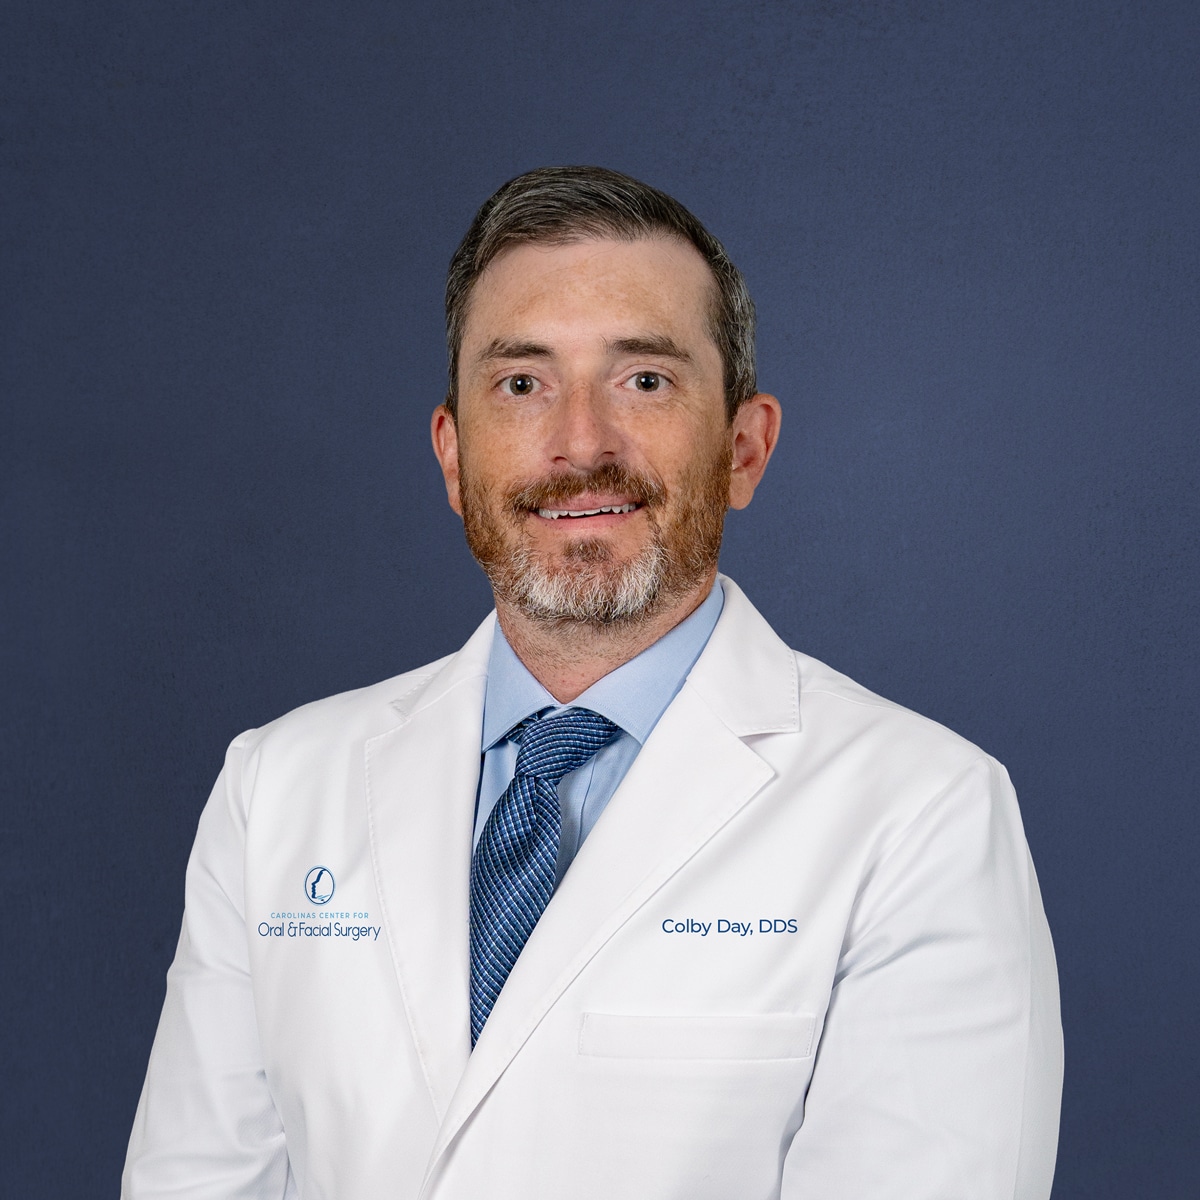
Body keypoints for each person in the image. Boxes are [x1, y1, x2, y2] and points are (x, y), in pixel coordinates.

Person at [123, 166, 1062, 1199]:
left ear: (744, 450)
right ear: (452, 456)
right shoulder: (276, 789)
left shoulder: (922, 814)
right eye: (521, 384)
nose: (580, 443)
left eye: (644, 381)